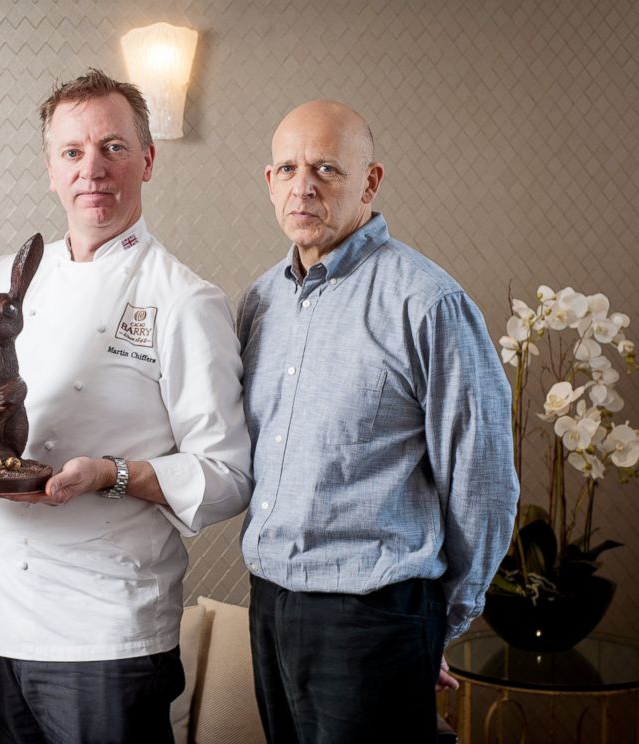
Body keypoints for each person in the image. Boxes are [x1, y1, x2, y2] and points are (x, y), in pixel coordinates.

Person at [0, 68, 252, 744]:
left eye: (113, 148)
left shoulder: (184, 299)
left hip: (110, 635)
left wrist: (110, 474)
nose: (92, 168)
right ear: (51, 168)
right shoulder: (8, 280)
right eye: (73, 152)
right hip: (7, 624)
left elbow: (228, 473)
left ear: (147, 160)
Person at [237, 99, 519, 743]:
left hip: (375, 614)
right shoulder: (261, 301)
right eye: (288, 167)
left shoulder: (428, 302)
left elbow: (483, 483)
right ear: (270, 182)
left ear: (370, 182)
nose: (303, 184)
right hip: (271, 604)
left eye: (327, 167)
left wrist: (437, 626)